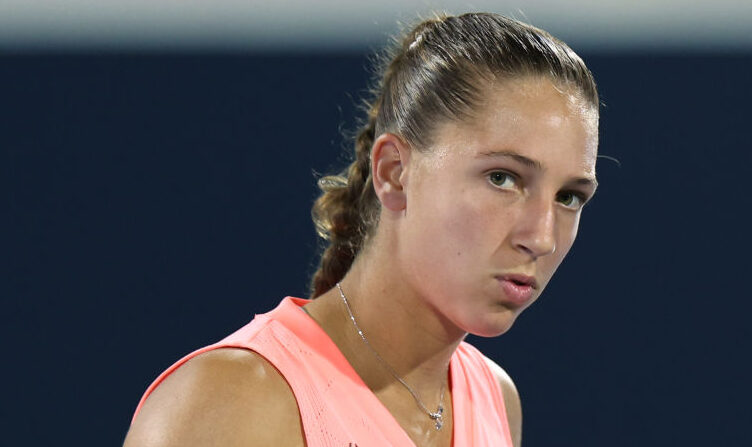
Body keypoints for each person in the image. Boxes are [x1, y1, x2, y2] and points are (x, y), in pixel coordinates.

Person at [123, 12, 599, 447]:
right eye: (503, 178)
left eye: (568, 197)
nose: (541, 238)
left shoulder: (495, 398)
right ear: (394, 172)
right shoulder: (233, 402)